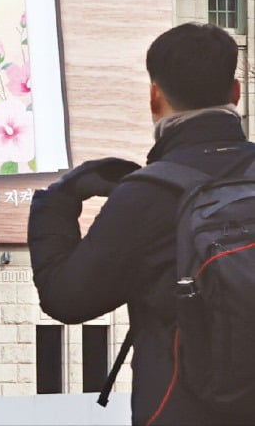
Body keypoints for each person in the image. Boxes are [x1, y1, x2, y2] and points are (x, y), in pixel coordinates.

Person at [27, 22, 255, 425]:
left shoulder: (147, 195)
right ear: (235, 92)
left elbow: (66, 298)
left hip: (182, 410)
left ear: (155, 95)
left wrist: (56, 202)